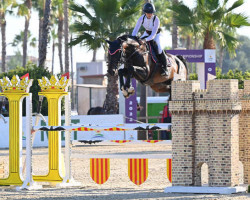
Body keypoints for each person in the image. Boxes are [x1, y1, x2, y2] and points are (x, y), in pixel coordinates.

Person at [132, 2, 170, 76]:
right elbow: (135, 30)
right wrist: (133, 38)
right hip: (146, 33)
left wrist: (145, 40)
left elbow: (153, 35)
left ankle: (165, 68)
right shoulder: (141, 18)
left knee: (159, 48)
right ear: (145, 12)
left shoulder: (156, 19)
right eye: (148, 13)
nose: (150, 14)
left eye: (151, 13)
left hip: (156, 35)